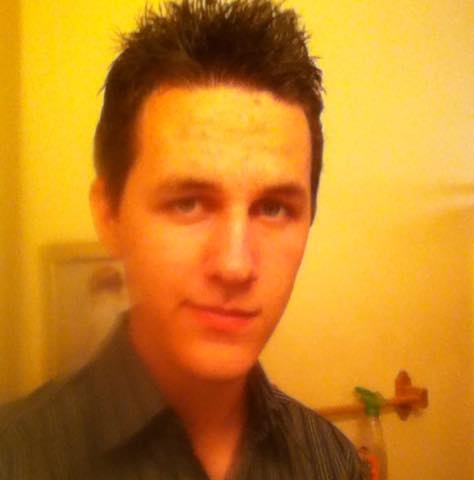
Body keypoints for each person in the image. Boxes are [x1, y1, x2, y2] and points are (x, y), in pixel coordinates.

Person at [0, 0, 363, 478]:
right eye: (188, 203)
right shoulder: (18, 458)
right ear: (109, 215)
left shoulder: (332, 464)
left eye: (274, 208)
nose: (235, 264)